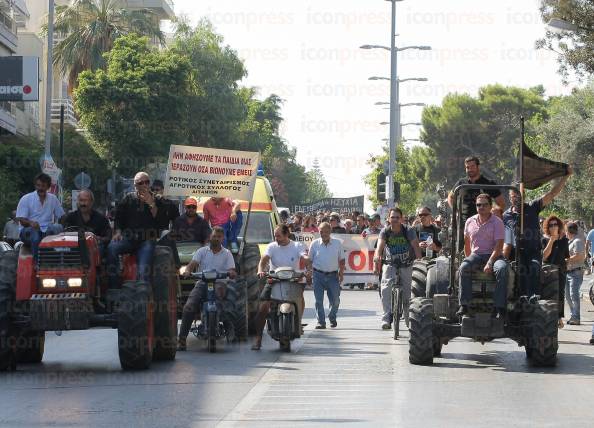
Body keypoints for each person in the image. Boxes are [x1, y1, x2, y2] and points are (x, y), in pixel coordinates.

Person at [502, 171, 571, 296]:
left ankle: (533, 297)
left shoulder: (533, 206)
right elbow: (506, 236)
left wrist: (565, 177)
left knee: (534, 268)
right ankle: (521, 297)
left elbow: (552, 194)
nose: (516, 198)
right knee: (519, 271)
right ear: (510, 197)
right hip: (517, 252)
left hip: (533, 250)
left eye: (519, 195)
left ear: (524, 194)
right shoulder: (506, 215)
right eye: (513, 196)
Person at [177, 226, 237, 350]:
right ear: (210, 237)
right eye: (214, 236)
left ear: (223, 239)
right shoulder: (202, 251)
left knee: (224, 304)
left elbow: (231, 270)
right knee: (189, 306)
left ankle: (228, 326)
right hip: (202, 283)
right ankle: (182, 340)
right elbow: (191, 265)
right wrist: (187, 271)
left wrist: (231, 273)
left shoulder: (227, 253)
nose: (216, 239)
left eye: (219, 237)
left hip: (219, 283)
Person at [107, 172, 169, 290]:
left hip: (147, 240)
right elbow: (119, 217)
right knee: (111, 248)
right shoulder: (128, 198)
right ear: (135, 185)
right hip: (129, 238)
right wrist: (118, 232)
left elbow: (162, 221)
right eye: (141, 183)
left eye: (147, 182)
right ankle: (114, 286)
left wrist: (151, 203)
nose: (145, 185)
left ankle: (142, 291)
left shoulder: (158, 199)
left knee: (143, 272)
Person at [251, 224, 308, 350]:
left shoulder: (297, 246)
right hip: (274, 279)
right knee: (263, 308)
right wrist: (261, 270)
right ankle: (258, 338)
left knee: (300, 297)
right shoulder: (272, 246)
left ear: (287, 234)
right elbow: (264, 259)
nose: (276, 238)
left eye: (279, 236)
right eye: (275, 236)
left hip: (293, 279)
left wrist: (307, 261)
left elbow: (304, 256)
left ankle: (298, 322)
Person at [457, 194, 508, 319]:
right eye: (478, 205)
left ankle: (499, 307)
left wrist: (490, 262)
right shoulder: (470, 221)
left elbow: (499, 245)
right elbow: (467, 243)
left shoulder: (497, 222)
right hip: (477, 255)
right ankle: (465, 305)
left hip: (495, 255)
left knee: (502, 269)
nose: (481, 207)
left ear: (490, 206)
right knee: (464, 267)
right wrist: (468, 260)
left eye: (485, 204)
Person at [374, 208, 422, 329]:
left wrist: (419, 262)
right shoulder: (385, 231)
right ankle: (386, 318)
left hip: (407, 264)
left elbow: (416, 247)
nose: (394, 220)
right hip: (390, 264)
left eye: (397, 217)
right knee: (385, 289)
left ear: (401, 219)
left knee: (407, 294)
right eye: (392, 217)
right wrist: (377, 258)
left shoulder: (408, 230)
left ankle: (407, 316)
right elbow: (379, 248)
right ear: (388, 219)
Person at [448, 156, 506, 247]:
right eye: (467, 167)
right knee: (461, 250)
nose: (470, 169)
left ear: (478, 167)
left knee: (482, 251)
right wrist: (455, 211)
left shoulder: (488, 183)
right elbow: (450, 197)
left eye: (472, 166)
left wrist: (495, 211)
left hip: (483, 225)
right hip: (463, 224)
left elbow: (501, 203)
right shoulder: (461, 183)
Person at [15, 173, 65, 259]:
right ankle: (37, 262)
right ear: (35, 185)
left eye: (43, 186)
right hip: (28, 232)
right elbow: (21, 220)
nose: (40, 188)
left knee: (58, 227)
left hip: (46, 231)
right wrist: (31, 223)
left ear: (48, 187)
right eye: (38, 185)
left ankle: (58, 259)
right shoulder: (26, 198)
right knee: (35, 234)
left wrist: (64, 225)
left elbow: (62, 216)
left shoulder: (53, 199)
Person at [307, 222, 345, 329]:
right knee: (318, 301)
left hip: (333, 276)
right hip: (318, 275)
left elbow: (342, 260)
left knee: (336, 301)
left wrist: (341, 273)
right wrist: (309, 274)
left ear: (330, 232)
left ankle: (332, 317)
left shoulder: (337, 243)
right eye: (321, 231)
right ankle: (321, 322)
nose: (324, 234)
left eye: (326, 231)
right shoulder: (314, 244)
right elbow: (309, 261)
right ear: (319, 231)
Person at [63, 189, 112, 257]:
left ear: (92, 202)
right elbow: (64, 235)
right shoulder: (71, 217)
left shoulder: (101, 219)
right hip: (74, 249)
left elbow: (108, 237)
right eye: (81, 200)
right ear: (78, 202)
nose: (83, 204)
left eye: (85, 200)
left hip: (94, 249)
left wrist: (98, 239)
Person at [541, 215, 569, 328]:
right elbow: (544, 256)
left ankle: (558, 317)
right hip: (548, 271)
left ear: (559, 226)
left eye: (555, 224)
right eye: (551, 225)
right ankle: (546, 316)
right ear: (548, 227)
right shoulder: (544, 239)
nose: (553, 227)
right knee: (547, 294)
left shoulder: (564, 240)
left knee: (560, 295)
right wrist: (552, 240)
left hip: (561, 271)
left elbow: (567, 256)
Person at [565, 221, 586, 326]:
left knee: (574, 295)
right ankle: (573, 315)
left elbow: (580, 256)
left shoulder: (577, 241)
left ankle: (576, 317)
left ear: (568, 231)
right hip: (568, 272)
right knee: (568, 296)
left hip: (575, 272)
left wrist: (566, 260)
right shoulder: (570, 242)